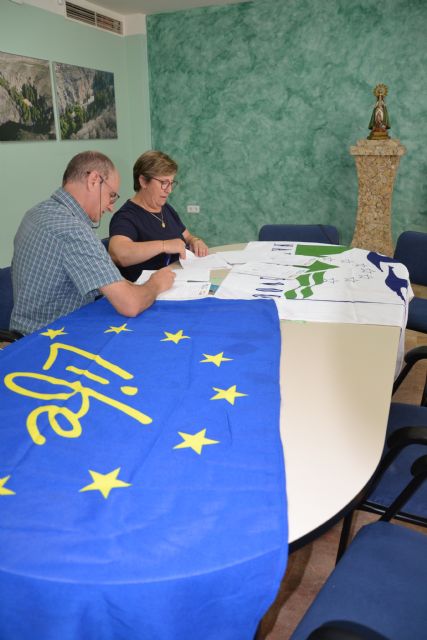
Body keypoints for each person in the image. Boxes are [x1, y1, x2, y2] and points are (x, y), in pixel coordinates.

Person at [10, 151, 175, 336]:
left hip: (24, 330)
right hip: (49, 338)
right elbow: (131, 305)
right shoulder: (73, 230)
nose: (111, 206)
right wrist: (155, 284)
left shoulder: (37, 213)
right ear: (94, 180)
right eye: (112, 195)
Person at [108, 150, 208, 282]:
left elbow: (187, 236)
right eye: (164, 183)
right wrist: (164, 245)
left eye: (171, 183)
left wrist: (195, 241)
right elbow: (119, 254)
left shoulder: (165, 209)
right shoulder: (125, 217)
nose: (169, 190)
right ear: (143, 181)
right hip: (146, 292)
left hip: (179, 281)